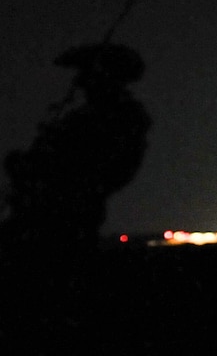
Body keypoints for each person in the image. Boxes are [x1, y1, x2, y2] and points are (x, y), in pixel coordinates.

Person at [2, 43, 152, 250]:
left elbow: (97, 173)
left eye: (89, 74)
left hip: (62, 224)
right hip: (45, 217)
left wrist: (37, 170)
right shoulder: (88, 116)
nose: (80, 82)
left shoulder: (116, 119)